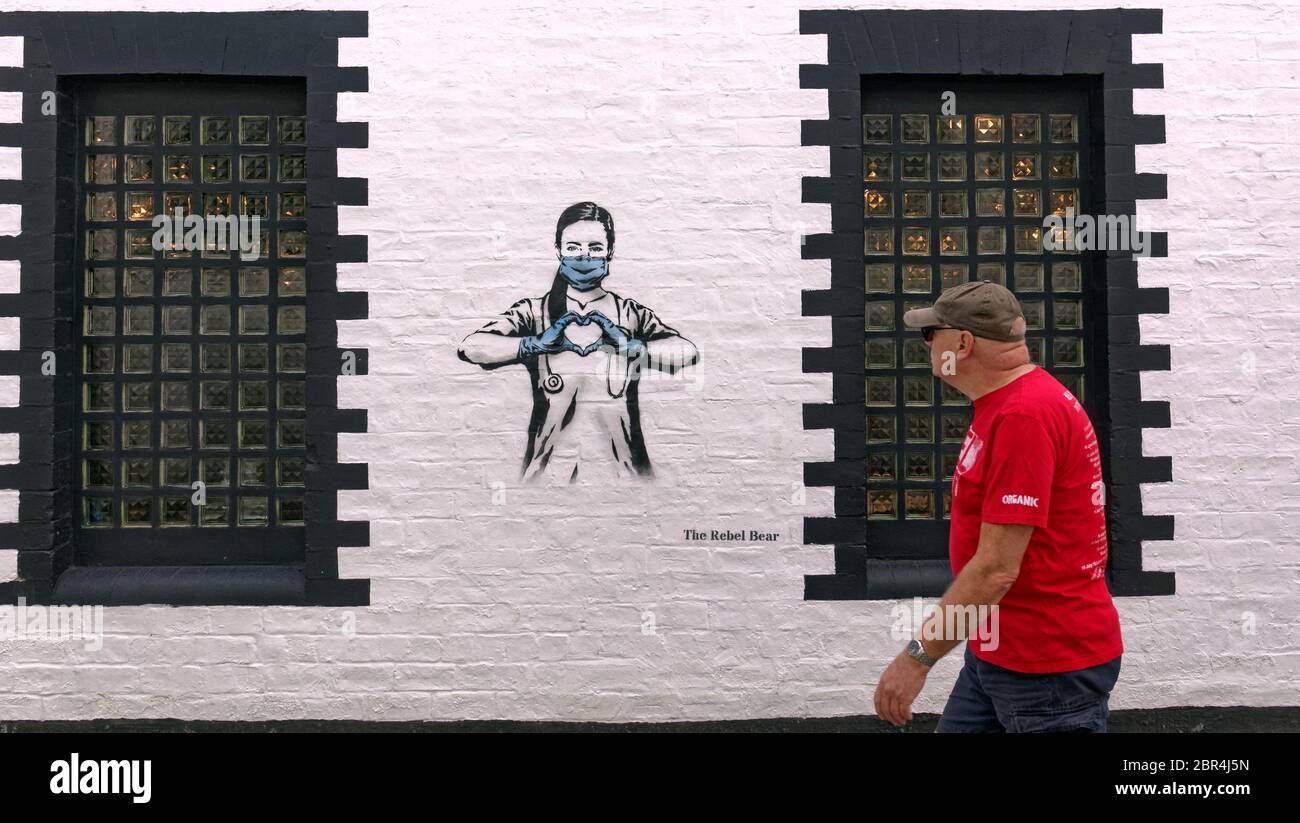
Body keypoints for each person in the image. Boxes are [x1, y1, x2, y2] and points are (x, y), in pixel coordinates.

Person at [872, 280, 1123, 732]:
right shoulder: (1009, 404)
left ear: (963, 343)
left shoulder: (1023, 416)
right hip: (1001, 654)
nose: (927, 344)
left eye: (932, 334)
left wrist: (916, 659)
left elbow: (996, 569)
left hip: (1047, 668)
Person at [458, 202, 698, 483]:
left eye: (595, 248)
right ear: (558, 250)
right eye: (573, 247)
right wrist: (533, 345)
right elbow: (471, 347)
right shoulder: (535, 312)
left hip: (626, 478)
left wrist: (634, 348)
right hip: (546, 479)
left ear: (610, 251)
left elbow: (687, 352)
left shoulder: (629, 314)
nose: (584, 256)